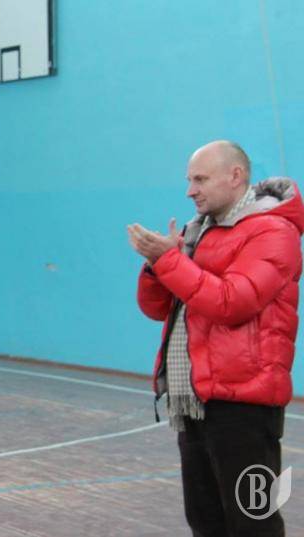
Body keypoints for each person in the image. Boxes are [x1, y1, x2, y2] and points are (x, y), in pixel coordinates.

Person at [127, 140, 302, 536]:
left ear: (235, 176)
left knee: (253, 523)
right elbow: (158, 309)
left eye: (200, 179)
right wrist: (157, 265)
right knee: (205, 521)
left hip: (244, 406)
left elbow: (231, 303)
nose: (190, 190)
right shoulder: (198, 231)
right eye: (189, 180)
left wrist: (169, 260)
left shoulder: (274, 231)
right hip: (195, 398)